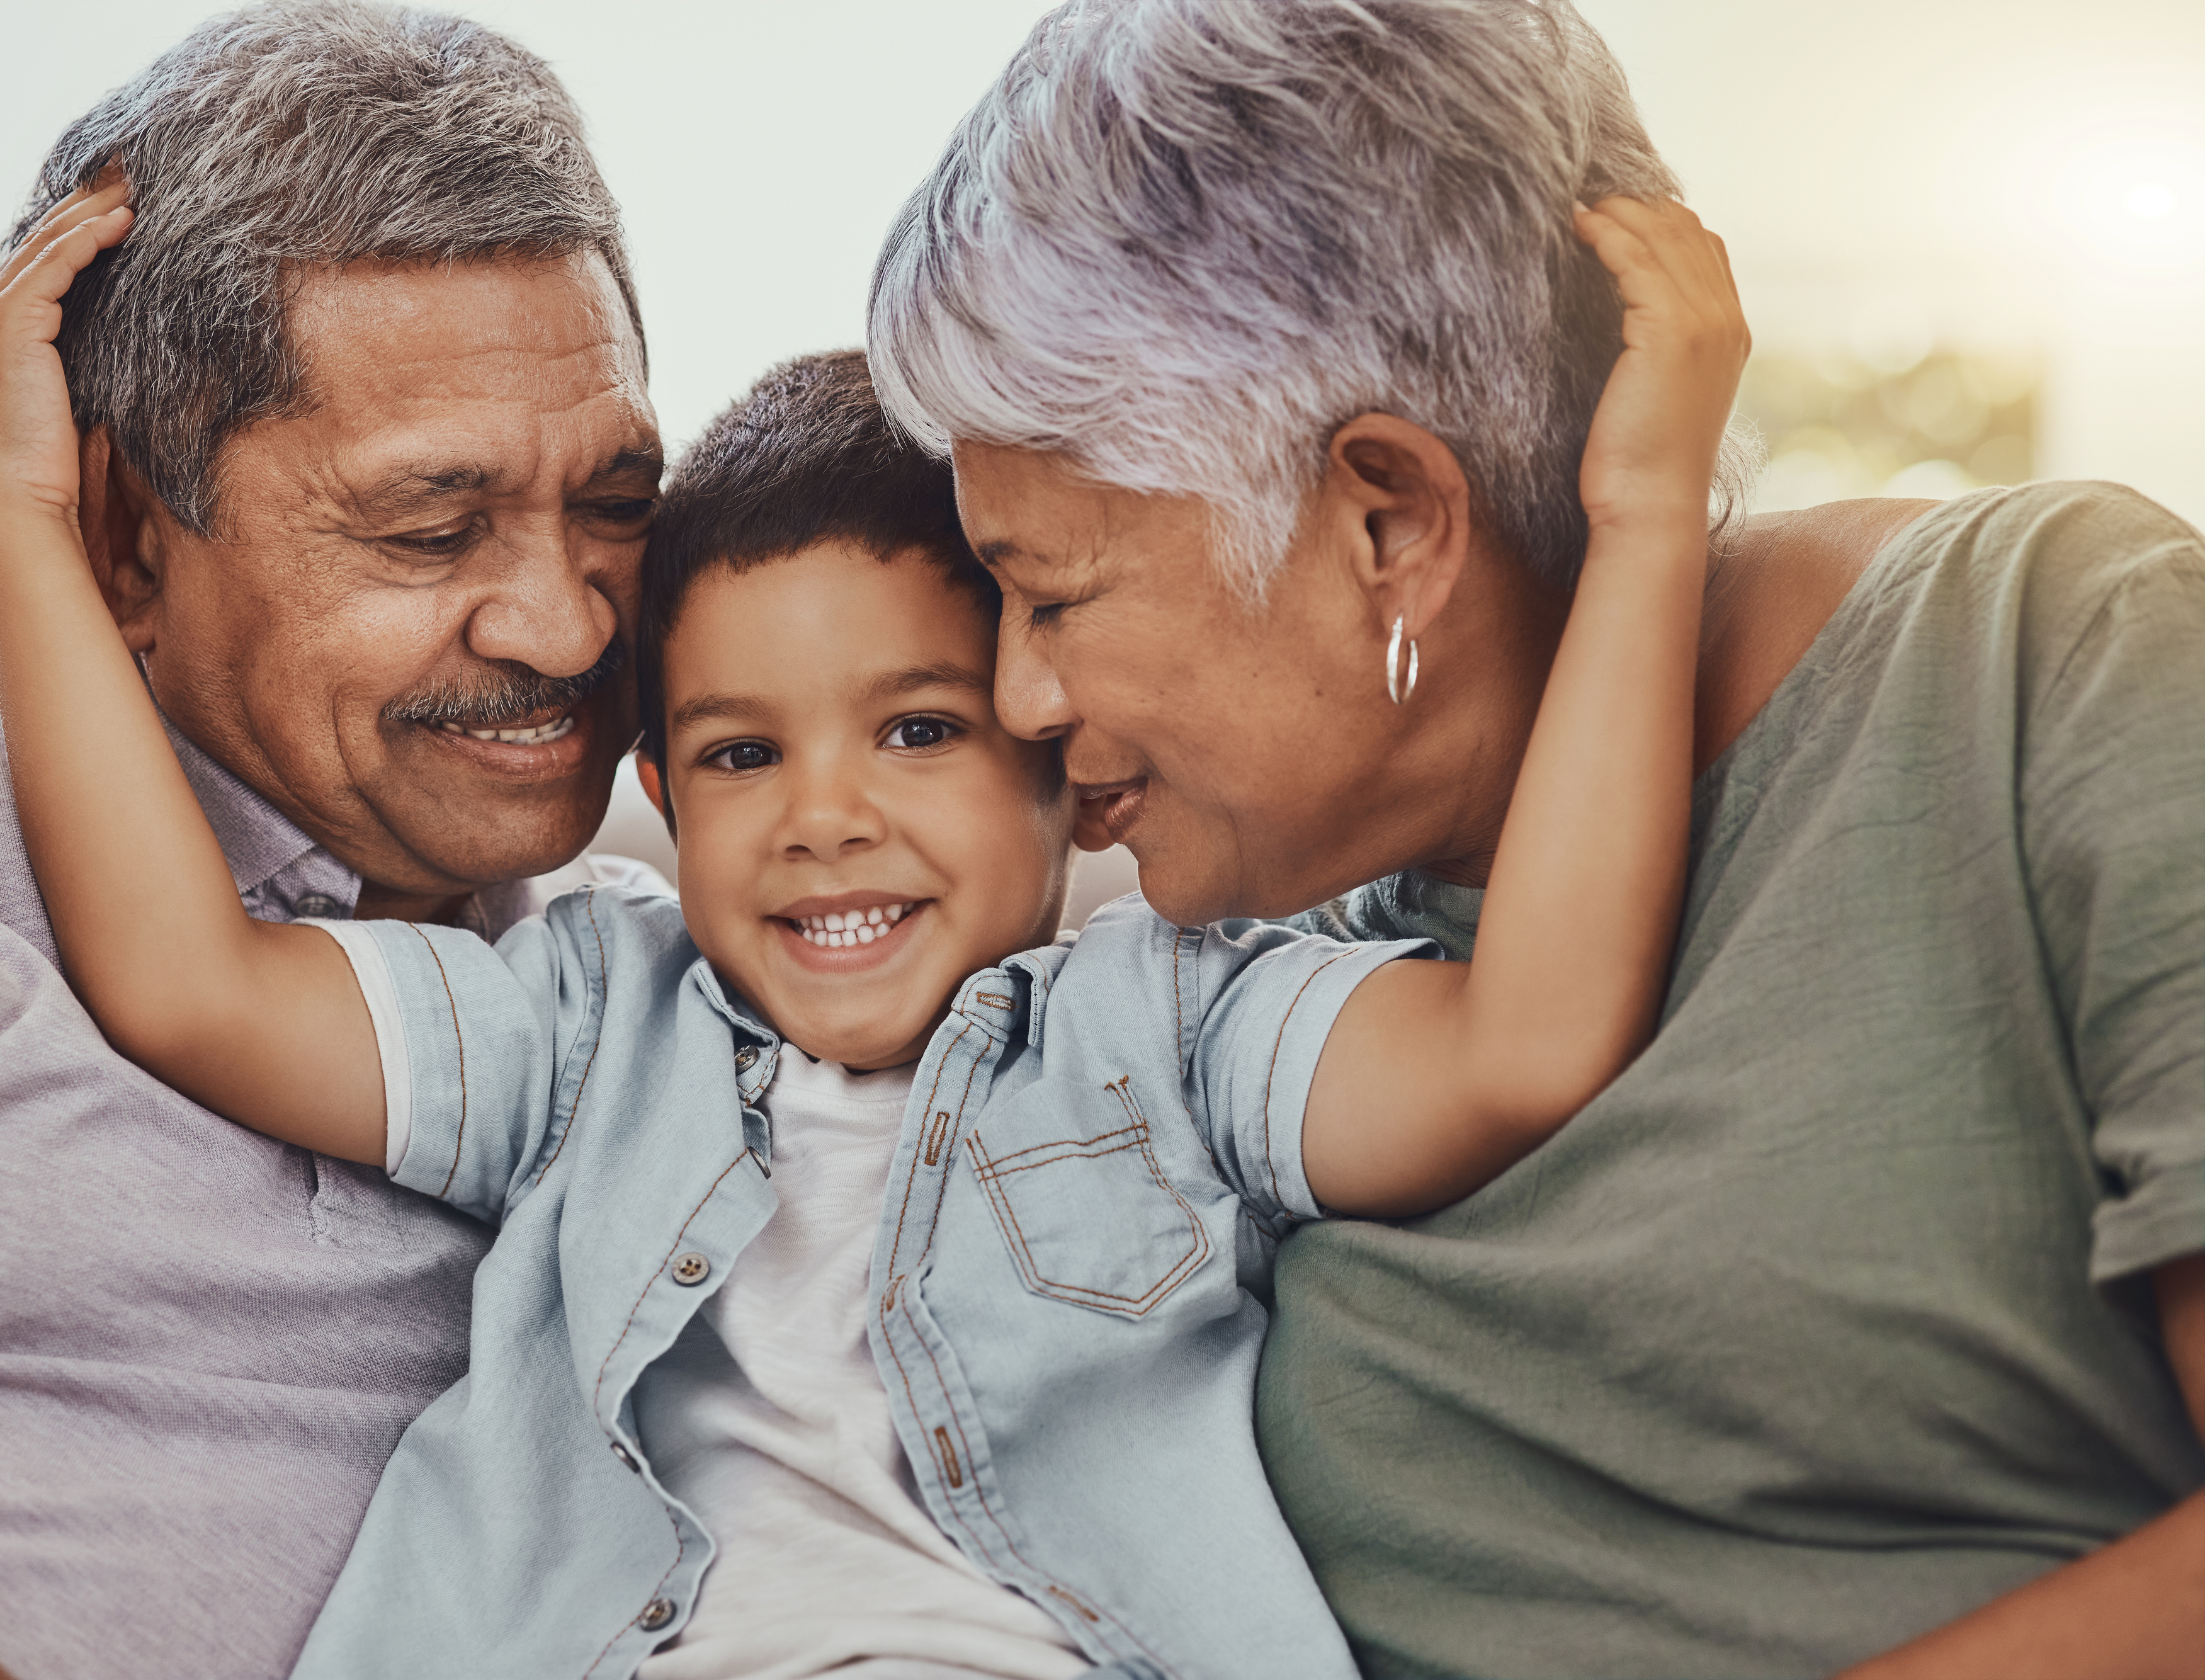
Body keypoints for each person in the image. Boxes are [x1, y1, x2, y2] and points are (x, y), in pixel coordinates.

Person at [0, 123, 1747, 1675]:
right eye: (742, 754)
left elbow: (1523, 1044)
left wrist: (1647, 523)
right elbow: (187, 981)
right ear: (661, 795)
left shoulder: (1180, 1024)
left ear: (1058, 754)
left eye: (918, 730)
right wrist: (27, 523)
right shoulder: (587, 1025)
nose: (825, 821)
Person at [866, 1, 2205, 1675]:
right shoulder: (1237, 972)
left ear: (1389, 524)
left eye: (1054, 595)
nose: (1020, 696)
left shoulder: (2050, 661)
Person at [0, 6, 662, 1676]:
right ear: (128, 542)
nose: (569, 627)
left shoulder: (674, 984)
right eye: (434, 528)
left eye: (619, 506)